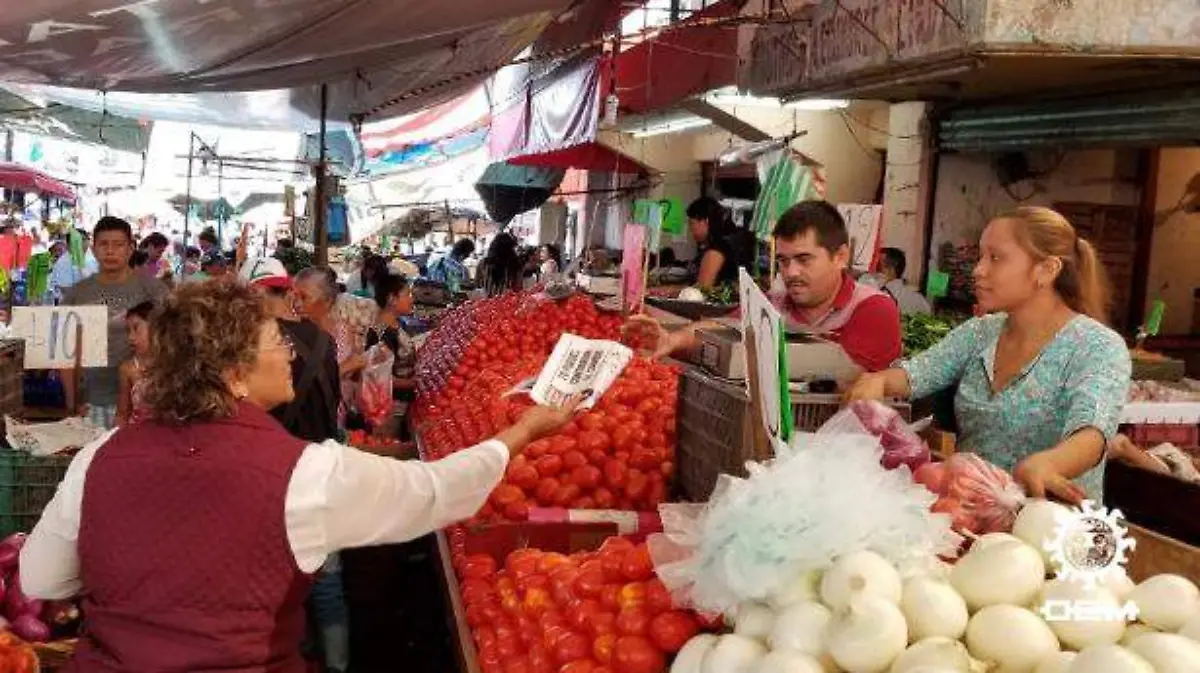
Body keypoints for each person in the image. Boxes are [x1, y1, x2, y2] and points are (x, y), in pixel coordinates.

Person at [19, 281, 580, 671]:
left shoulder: (102, 456)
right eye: (276, 343)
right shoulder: (304, 473)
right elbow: (433, 492)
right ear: (235, 373)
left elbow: (42, 579)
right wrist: (522, 432)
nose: (290, 354)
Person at [848, 206, 1132, 502]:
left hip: (1052, 527)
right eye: (980, 257)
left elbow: (1092, 433)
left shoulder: (1098, 346)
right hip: (969, 517)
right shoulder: (981, 332)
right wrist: (879, 381)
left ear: (1046, 270)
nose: (978, 270)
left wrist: (1048, 464)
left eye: (995, 258)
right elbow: (915, 374)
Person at [630, 201, 902, 373]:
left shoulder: (873, 308)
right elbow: (725, 328)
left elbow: (841, 380)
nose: (791, 272)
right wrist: (672, 340)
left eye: (804, 259)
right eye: (783, 261)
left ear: (840, 256)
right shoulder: (776, 300)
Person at [242, 256, 347, 673]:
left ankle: (293, 658)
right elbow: (336, 403)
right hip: (320, 467)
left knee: (281, 581)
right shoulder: (324, 341)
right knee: (327, 580)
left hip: (274, 472)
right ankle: (337, 665)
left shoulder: (257, 348)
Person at [61, 217, 168, 429]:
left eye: (118, 245)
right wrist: (72, 404)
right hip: (91, 403)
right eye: (103, 244)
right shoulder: (77, 294)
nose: (110, 251)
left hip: (144, 405)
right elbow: (65, 353)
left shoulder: (154, 290)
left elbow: (171, 342)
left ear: (130, 249)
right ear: (92, 249)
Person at [365, 273, 417, 438]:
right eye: (407, 294)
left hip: (399, 405)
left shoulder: (394, 326)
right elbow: (380, 378)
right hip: (387, 409)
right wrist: (414, 383)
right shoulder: (382, 334)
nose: (412, 299)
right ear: (391, 299)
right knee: (387, 448)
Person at [685, 197, 756, 289]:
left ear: (706, 221)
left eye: (692, 223)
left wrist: (670, 291)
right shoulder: (727, 242)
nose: (691, 229)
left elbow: (701, 288)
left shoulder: (716, 250)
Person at [116, 301, 154, 427]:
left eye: (136, 329)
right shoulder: (128, 369)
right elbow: (122, 414)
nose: (130, 337)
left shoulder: (178, 366)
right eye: (128, 331)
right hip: (137, 436)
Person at [870, 247, 932, 316]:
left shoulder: (876, 296)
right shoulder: (920, 301)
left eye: (878, 266)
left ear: (891, 270)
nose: (873, 270)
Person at [48, 229, 98, 298]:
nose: (81, 243)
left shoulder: (92, 256)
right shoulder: (63, 263)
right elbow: (65, 289)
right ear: (68, 245)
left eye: (84, 239)